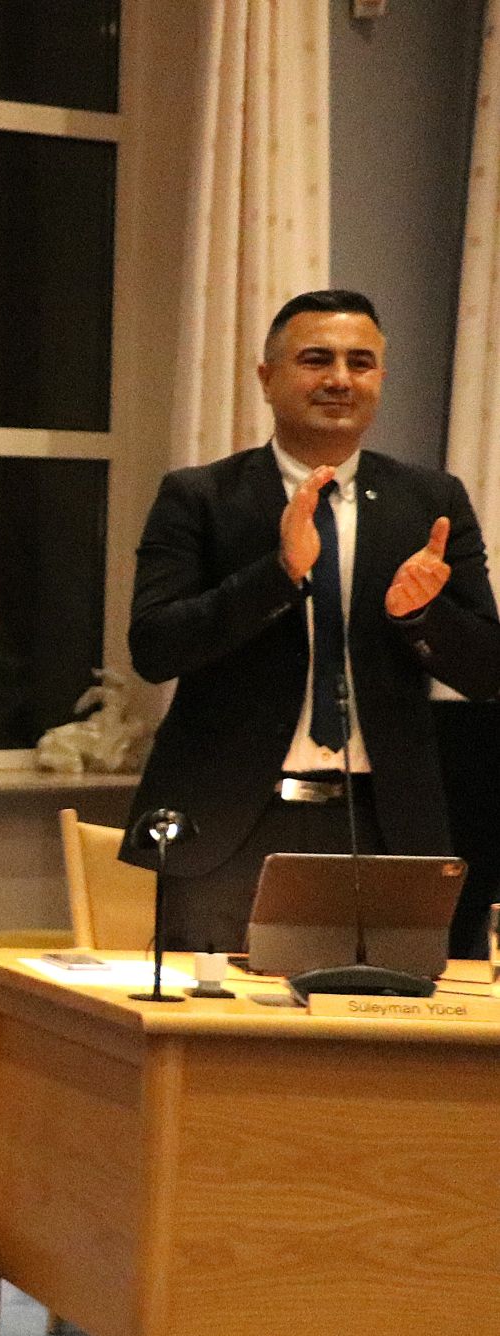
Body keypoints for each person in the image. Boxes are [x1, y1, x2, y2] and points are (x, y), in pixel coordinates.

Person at [123, 289, 500, 952]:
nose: (337, 379)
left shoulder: (431, 501)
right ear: (266, 379)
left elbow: (486, 671)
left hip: (386, 831)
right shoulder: (200, 496)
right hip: (229, 830)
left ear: (378, 379)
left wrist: (420, 616)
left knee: (383, 1047)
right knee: (221, 1047)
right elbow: (154, 647)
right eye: (315, 359)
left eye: (359, 363)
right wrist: (276, 574)